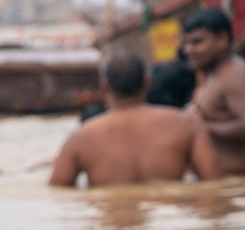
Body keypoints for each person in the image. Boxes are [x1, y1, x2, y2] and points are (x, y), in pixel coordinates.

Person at [50, 51, 221, 187]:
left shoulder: (80, 138)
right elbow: (215, 184)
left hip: (114, 227)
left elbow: (59, 194)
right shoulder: (187, 125)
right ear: (147, 83)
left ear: (105, 88)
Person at [181, 7, 245, 176]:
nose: (188, 50)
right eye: (187, 43)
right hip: (222, 188)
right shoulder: (216, 76)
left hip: (237, 188)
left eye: (197, 42)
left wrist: (200, 126)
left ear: (222, 40)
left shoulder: (237, 74)